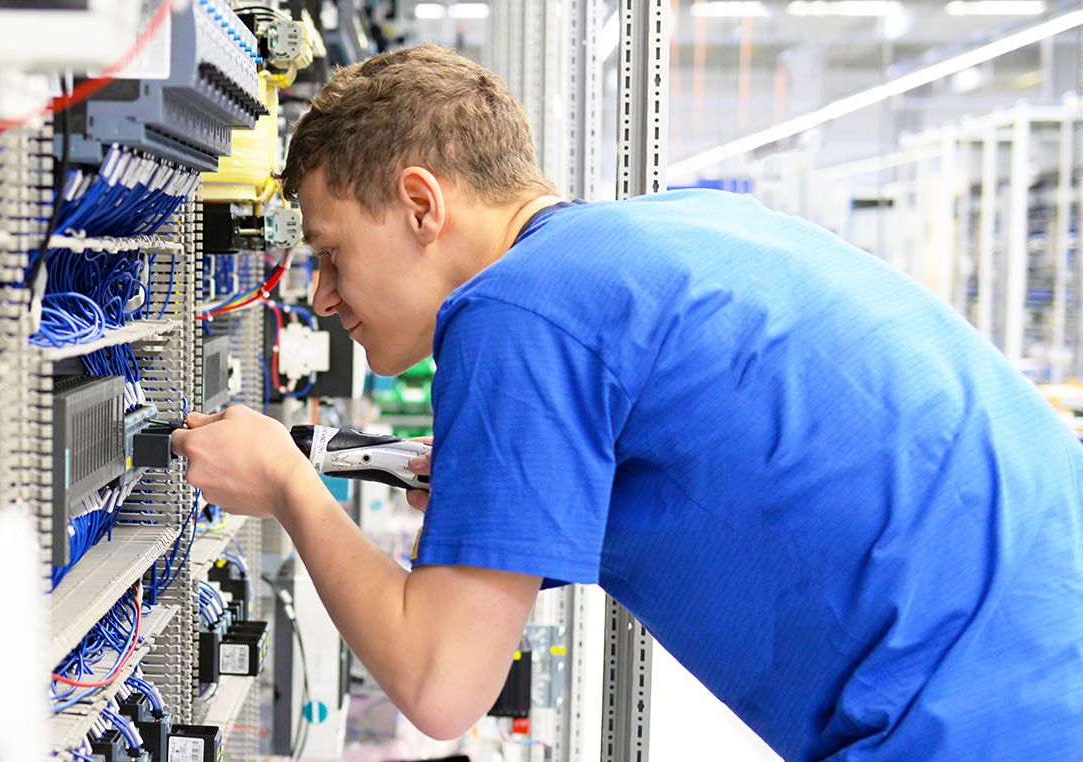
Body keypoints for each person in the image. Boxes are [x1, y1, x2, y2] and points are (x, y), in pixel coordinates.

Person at [169, 44, 1083, 759]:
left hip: (982, 714)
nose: (323, 298)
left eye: (331, 253)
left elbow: (440, 686)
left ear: (420, 203)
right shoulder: (652, 234)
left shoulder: (516, 310)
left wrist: (290, 486)